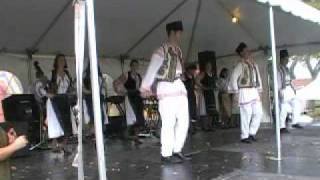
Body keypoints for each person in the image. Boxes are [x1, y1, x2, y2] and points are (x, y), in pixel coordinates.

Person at [140, 21, 190, 164]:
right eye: (179, 32)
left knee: (184, 121)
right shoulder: (161, 50)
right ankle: (166, 154)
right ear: (173, 32)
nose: (181, 35)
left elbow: (180, 69)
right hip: (166, 87)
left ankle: (177, 150)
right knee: (169, 122)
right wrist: (145, 87)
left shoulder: (178, 50)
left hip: (179, 87)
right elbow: (153, 68)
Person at [228, 42, 263, 144]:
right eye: (246, 50)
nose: (249, 52)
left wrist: (259, 90)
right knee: (246, 114)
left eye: (248, 50)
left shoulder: (253, 64)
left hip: (253, 90)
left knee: (258, 112)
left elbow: (258, 78)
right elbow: (233, 78)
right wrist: (236, 92)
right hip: (244, 90)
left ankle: (252, 133)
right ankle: (244, 136)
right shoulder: (240, 65)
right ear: (242, 53)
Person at [46, 53, 73, 153]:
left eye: (63, 60)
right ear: (56, 62)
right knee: (55, 122)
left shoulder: (67, 74)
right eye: (60, 60)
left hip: (65, 99)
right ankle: (54, 145)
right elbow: (42, 86)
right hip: (54, 100)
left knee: (67, 122)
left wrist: (71, 93)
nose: (62, 62)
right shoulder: (52, 74)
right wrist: (47, 94)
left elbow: (70, 87)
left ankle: (64, 145)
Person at [113, 60, 145, 145]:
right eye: (134, 65)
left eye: (136, 65)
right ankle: (126, 134)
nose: (135, 67)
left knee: (139, 118)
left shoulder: (138, 76)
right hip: (130, 97)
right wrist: (120, 92)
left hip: (138, 98)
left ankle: (136, 137)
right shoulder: (127, 75)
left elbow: (140, 87)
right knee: (132, 118)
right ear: (131, 66)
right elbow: (115, 82)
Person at [278, 49, 303, 133]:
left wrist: (294, 88)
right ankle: (281, 127)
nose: (287, 60)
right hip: (283, 89)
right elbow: (278, 81)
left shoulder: (287, 69)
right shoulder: (279, 69)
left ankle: (295, 122)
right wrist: (280, 91)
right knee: (283, 108)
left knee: (296, 103)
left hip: (289, 89)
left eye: (287, 58)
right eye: (286, 58)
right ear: (281, 59)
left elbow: (290, 79)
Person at [197, 62, 217, 131]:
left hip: (211, 93)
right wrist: (203, 87)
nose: (209, 67)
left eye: (210, 65)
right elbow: (197, 80)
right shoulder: (203, 73)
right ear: (205, 67)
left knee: (211, 110)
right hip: (205, 93)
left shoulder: (212, 74)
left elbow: (214, 83)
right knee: (205, 110)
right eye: (207, 65)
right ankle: (205, 126)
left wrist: (215, 87)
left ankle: (210, 125)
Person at [183, 63, 199, 134]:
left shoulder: (192, 77)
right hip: (186, 96)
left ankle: (192, 127)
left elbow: (194, 85)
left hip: (192, 95)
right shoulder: (184, 76)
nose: (194, 72)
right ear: (189, 69)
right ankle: (189, 128)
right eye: (193, 70)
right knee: (187, 111)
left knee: (192, 111)